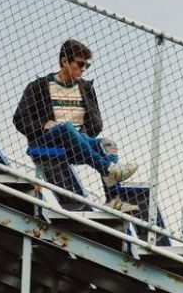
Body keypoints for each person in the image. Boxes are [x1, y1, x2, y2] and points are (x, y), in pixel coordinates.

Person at [13, 39, 139, 210]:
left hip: (78, 144)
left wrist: (82, 135)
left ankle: (113, 200)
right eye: (80, 64)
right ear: (65, 61)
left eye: (87, 66)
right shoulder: (39, 86)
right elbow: (19, 119)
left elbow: (96, 123)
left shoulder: (86, 88)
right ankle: (109, 169)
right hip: (47, 141)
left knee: (108, 143)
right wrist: (43, 125)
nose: (83, 70)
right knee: (65, 128)